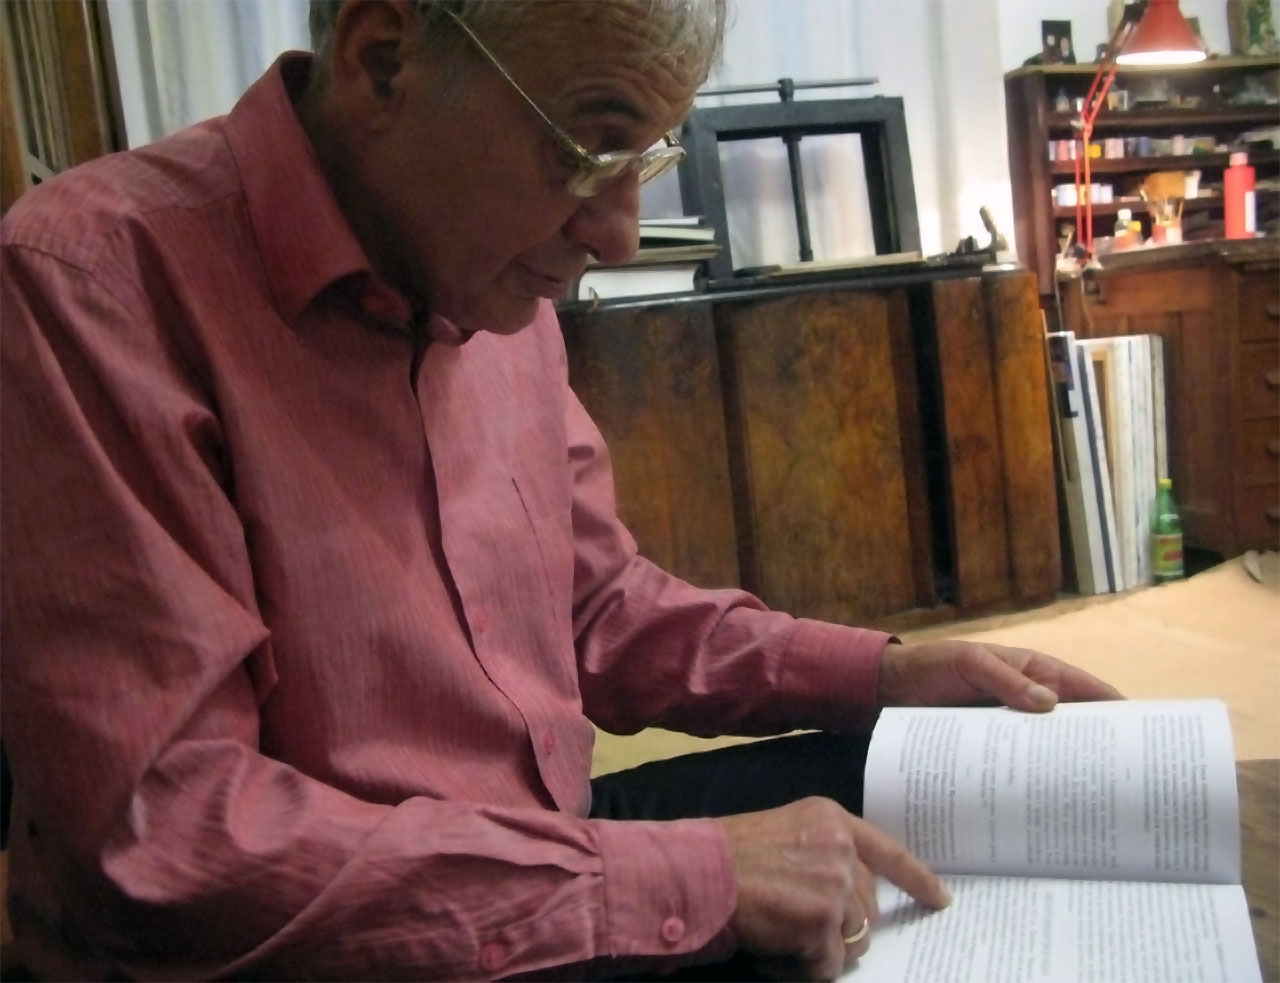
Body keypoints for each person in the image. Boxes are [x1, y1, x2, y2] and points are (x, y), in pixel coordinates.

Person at [0, 1, 1121, 979]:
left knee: (958, 781)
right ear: (383, 59)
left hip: (546, 849)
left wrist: (884, 674)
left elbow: (595, 606)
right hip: (325, 943)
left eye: (646, 158)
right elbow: (169, 837)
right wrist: (687, 877)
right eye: (587, 152)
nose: (621, 234)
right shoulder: (93, 280)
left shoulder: (491, 278)